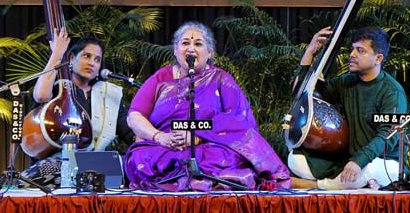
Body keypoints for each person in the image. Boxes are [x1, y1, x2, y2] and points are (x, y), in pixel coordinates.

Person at [124, 22, 291, 191]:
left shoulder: (221, 79)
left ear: (209, 52)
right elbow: (134, 116)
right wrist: (159, 137)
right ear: (175, 50)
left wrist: (197, 136)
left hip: (208, 146)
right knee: (138, 158)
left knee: (227, 157)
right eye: (185, 43)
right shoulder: (160, 78)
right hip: (165, 146)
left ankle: (192, 180)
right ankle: (196, 180)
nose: (190, 49)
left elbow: (237, 121)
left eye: (198, 44)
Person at [288, 25, 407, 190]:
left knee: (369, 169)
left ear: (378, 58)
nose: (352, 55)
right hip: (349, 159)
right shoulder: (346, 82)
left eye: (360, 51)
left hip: (384, 161)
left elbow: (387, 137)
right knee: (295, 159)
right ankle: (343, 184)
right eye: (352, 49)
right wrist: (310, 52)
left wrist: (359, 161)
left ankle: (315, 185)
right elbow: (303, 94)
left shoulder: (392, 92)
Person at [20, 31, 134, 187]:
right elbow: (40, 96)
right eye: (86, 56)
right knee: (35, 175)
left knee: (129, 165)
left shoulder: (108, 95)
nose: (92, 63)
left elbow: (129, 132)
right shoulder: (57, 88)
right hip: (58, 163)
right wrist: (57, 54)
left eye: (97, 60)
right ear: (72, 59)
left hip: (96, 164)